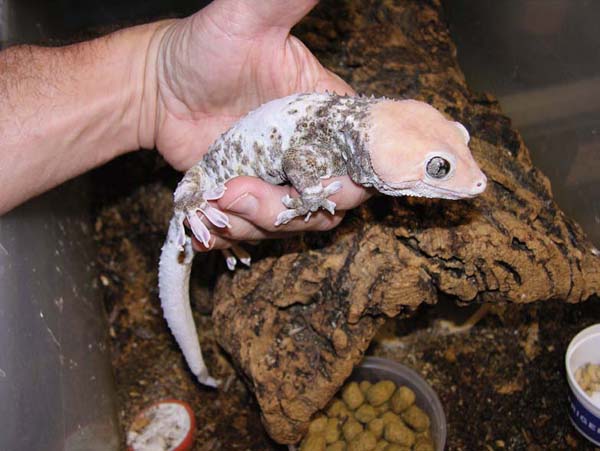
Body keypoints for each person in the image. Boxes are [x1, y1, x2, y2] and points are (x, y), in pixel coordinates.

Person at [0, 0, 372, 252]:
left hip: (212, 180)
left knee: (232, 209)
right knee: (201, 198)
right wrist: (154, 84)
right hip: (202, 182)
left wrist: (153, 83)